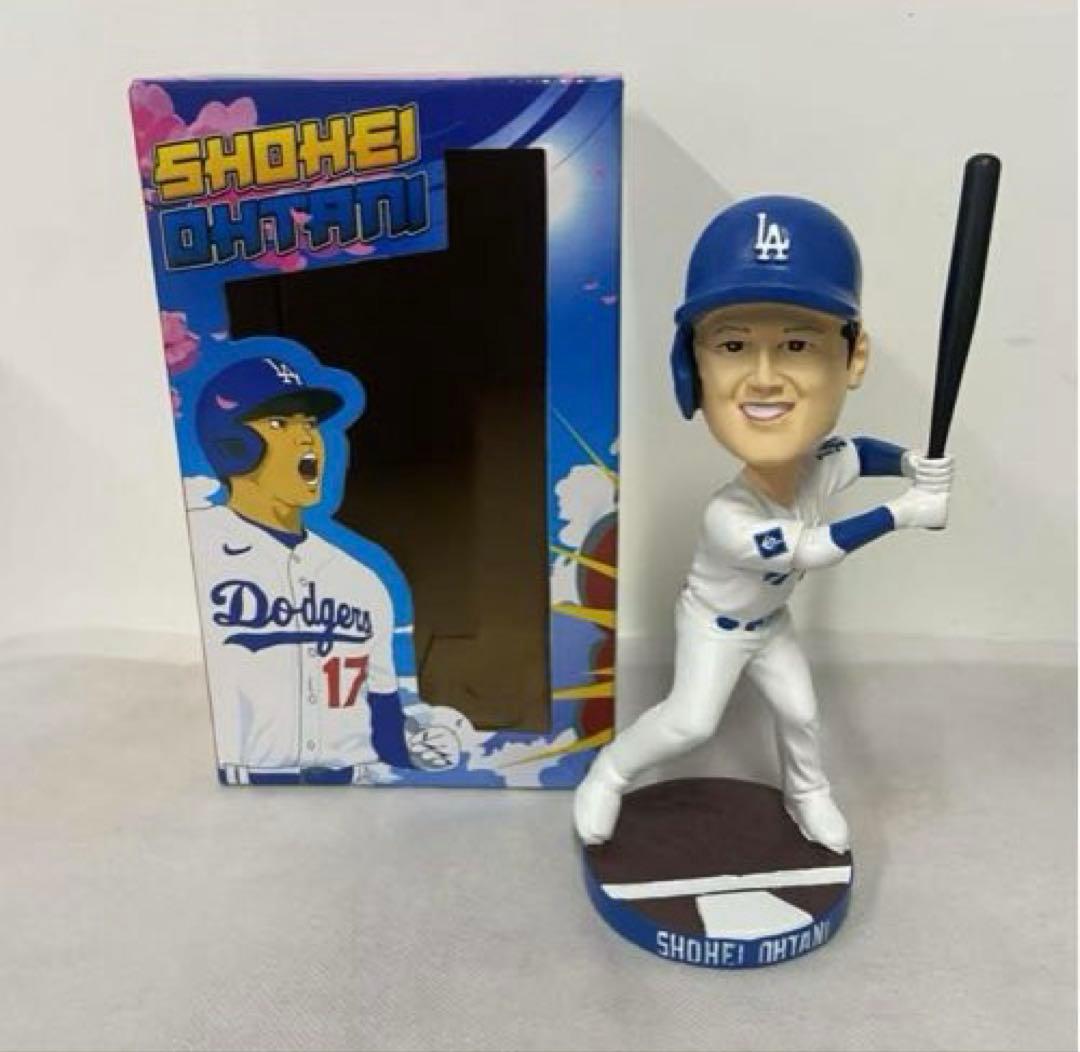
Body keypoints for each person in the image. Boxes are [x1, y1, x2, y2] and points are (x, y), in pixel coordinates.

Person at [574, 197, 954, 851]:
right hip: (714, 627)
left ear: (853, 356)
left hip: (769, 622)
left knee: (801, 714)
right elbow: (815, 550)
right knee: (690, 724)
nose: (765, 378)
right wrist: (904, 512)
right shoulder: (729, 514)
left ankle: (807, 794)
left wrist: (912, 463)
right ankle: (608, 774)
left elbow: (857, 452)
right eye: (733, 345)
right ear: (693, 368)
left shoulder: (813, 466)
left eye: (797, 344)